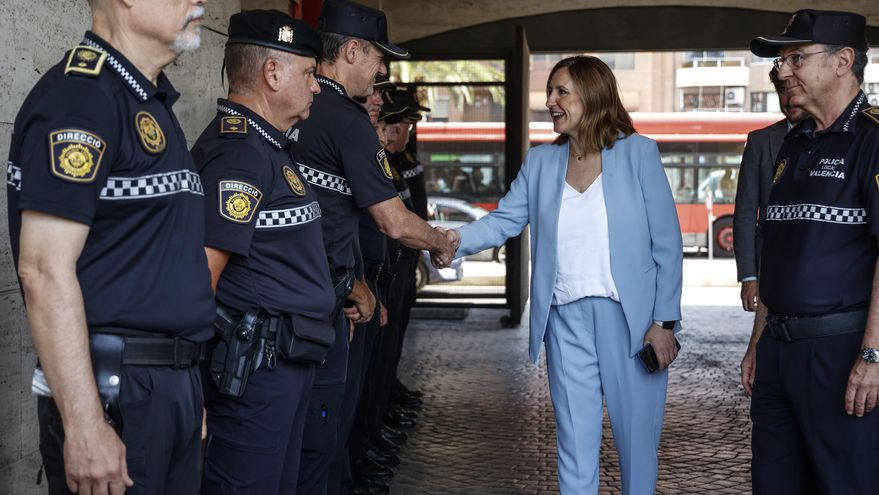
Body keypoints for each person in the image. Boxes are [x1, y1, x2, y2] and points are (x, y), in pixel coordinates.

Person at [445, 56, 682, 494]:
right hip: (564, 322)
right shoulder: (540, 162)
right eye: (550, 91)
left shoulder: (638, 153)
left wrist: (664, 323)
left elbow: (667, 246)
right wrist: (452, 240)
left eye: (561, 92)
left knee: (636, 444)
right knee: (573, 443)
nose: (550, 101)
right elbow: (503, 221)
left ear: (591, 96)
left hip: (630, 323)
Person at [6, 1, 213, 494]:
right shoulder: (82, 99)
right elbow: (42, 269)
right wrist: (83, 425)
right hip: (117, 395)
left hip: (164, 388)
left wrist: (183, 385)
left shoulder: (146, 100)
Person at [288, 1, 454, 492]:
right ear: (353, 50)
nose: (382, 71)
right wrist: (441, 241)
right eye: (379, 58)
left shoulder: (299, 110)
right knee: (322, 437)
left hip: (319, 291)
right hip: (325, 303)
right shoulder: (344, 118)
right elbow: (393, 221)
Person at [190, 11, 329, 494]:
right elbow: (200, 276)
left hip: (282, 362)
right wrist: (191, 391)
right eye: (310, 73)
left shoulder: (267, 147)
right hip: (255, 373)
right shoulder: (241, 153)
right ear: (272, 73)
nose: (316, 86)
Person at [745, 9, 879, 494]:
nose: (783, 71)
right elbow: (776, 251)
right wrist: (758, 339)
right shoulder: (793, 143)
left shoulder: (873, 139)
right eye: (781, 61)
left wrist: (873, 354)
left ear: (843, 61)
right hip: (779, 352)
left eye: (796, 58)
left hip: (841, 355)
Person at [733, 67, 808, 312]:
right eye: (782, 92)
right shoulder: (760, 141)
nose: (788, 100)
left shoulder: (837, 138)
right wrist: (748, 276)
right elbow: (745, 212)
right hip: (770, 265)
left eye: (793, 90)